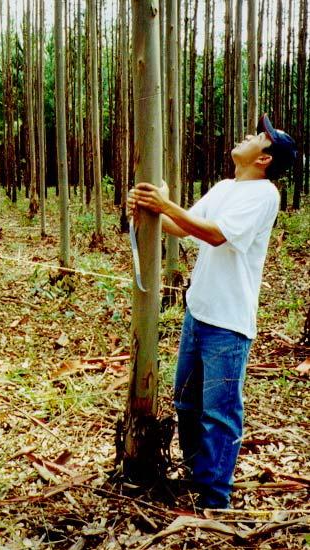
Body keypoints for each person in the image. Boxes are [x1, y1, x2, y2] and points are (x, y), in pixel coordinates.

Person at [127, 114, 297, 509]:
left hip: (229, 323)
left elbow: (216, 235)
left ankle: (215, 498)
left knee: (219, 414)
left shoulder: (263, 195)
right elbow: (183, 226)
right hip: (198, 312)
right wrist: (147, 208)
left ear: (265, 159)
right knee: (186, 404)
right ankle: (196, 476)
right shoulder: (224, 187)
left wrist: (165, 202)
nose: (248, 135)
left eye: (258, 137)